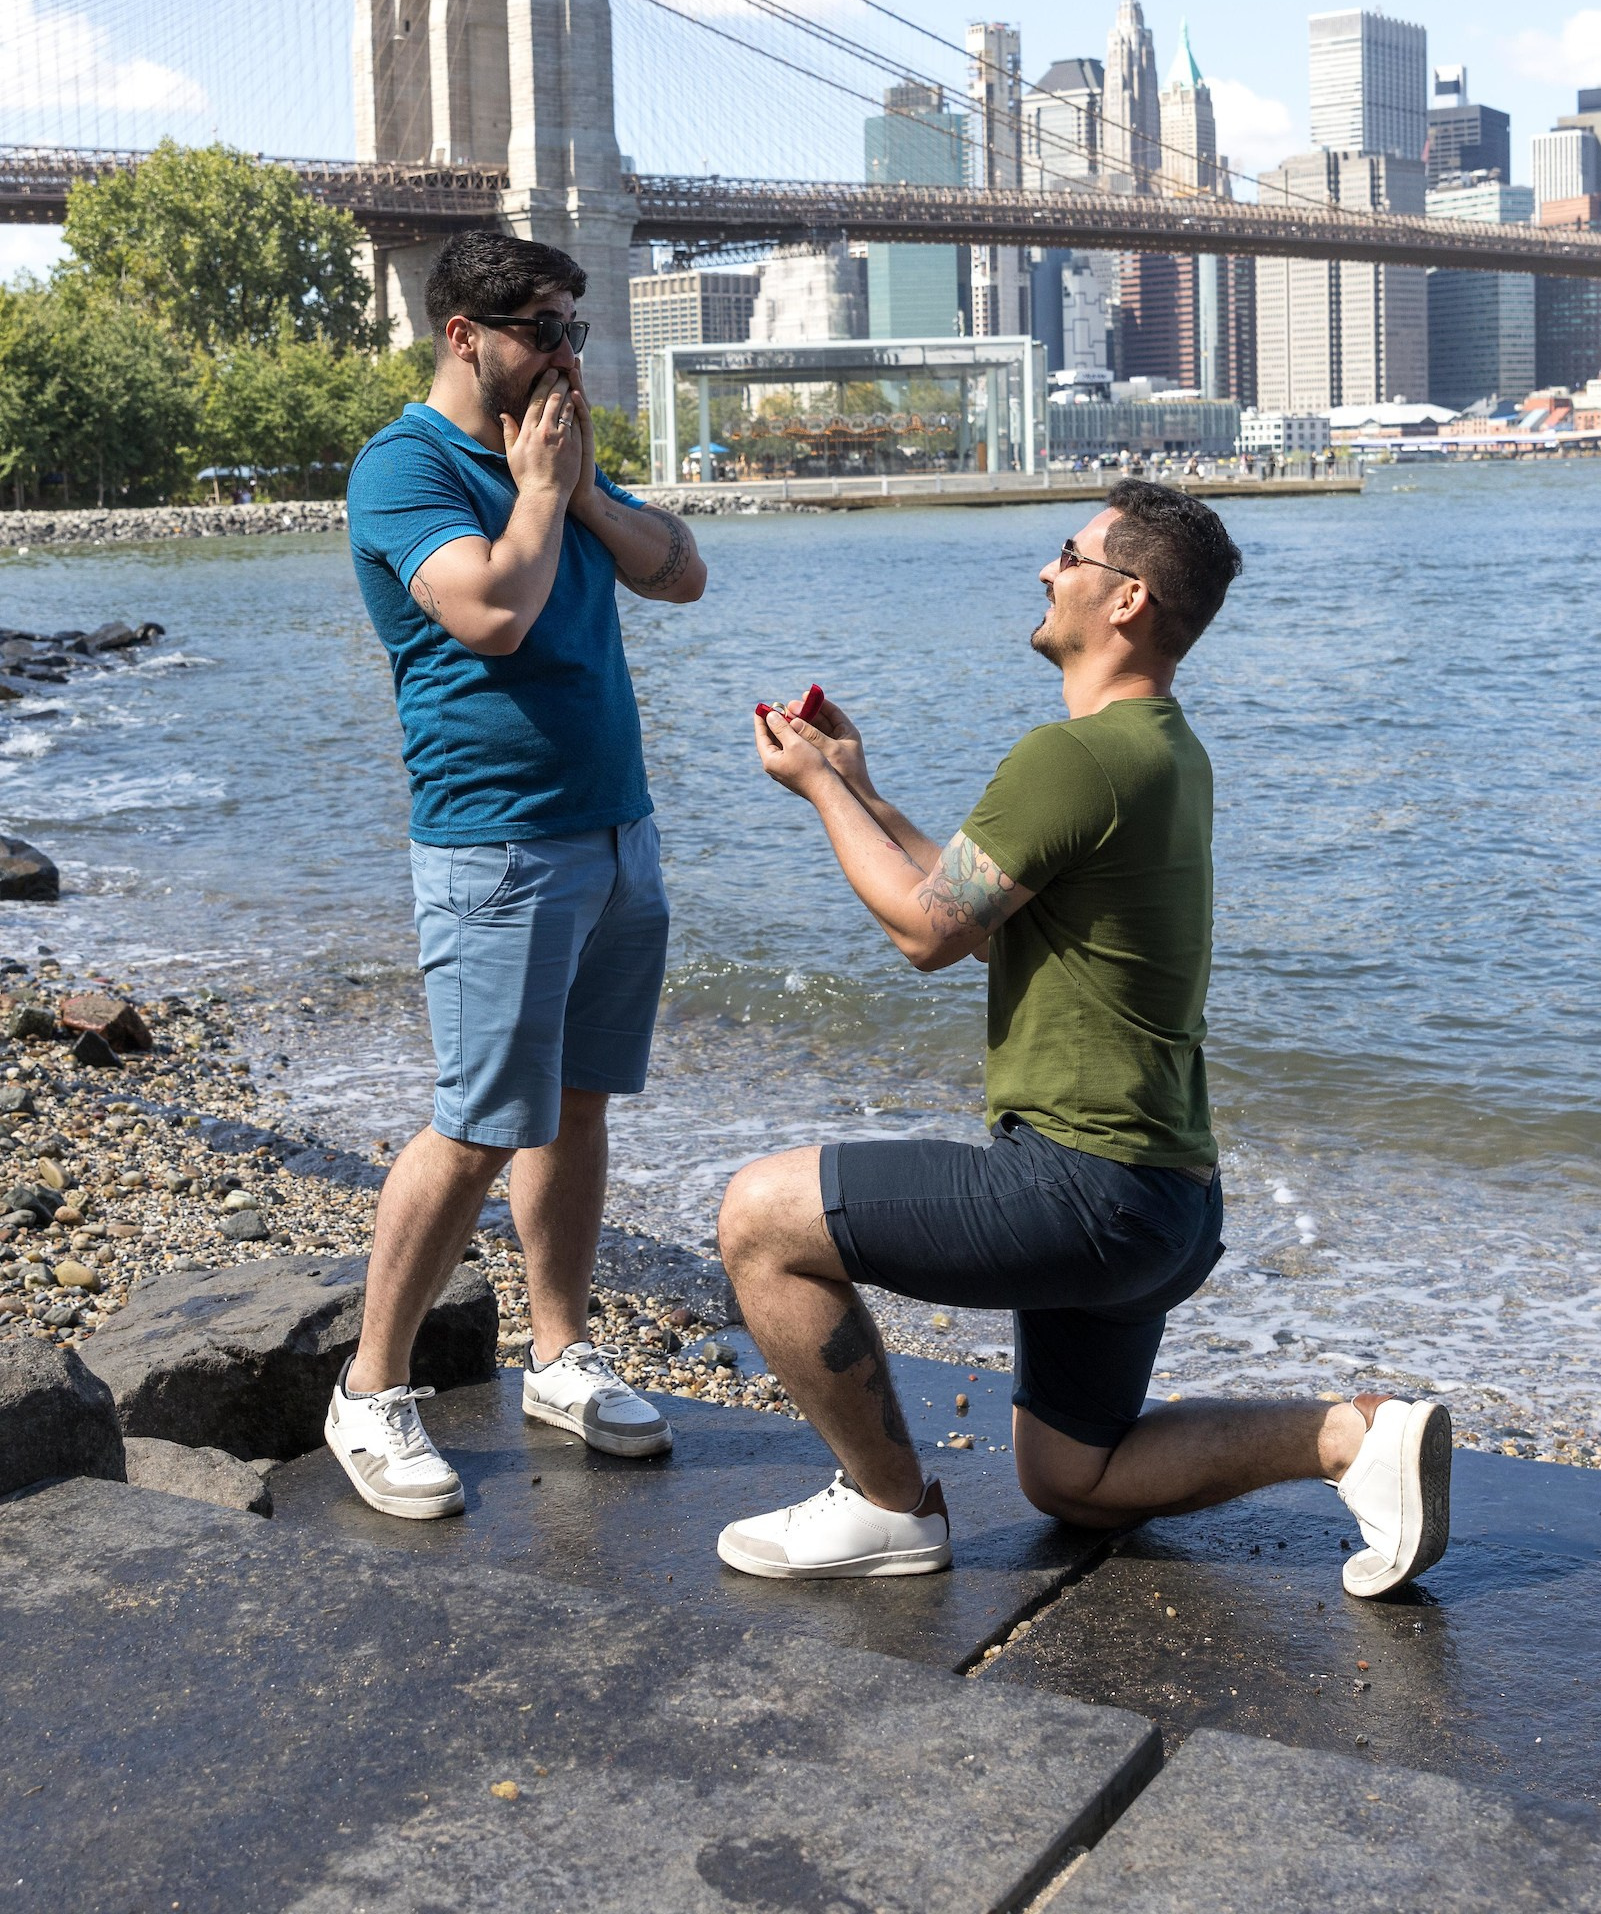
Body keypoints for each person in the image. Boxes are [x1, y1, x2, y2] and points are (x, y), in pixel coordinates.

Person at [714, 479, 1450, 1593]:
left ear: (1126, 598)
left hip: (1082, 1187)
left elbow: (926, 933)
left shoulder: (1072, 756)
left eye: (1068, 554)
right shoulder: (1160, 750)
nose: (1044, 570)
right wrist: (859, 787)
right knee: (1072, 1476)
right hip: (1166, 1200)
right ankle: (1352, 1437)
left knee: (758, 1217)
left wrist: (818, 789)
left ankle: (885, 1507)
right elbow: (976, 904)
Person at [327, 232, 706, 1518]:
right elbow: (489, 611)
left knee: (581, 1103)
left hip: (613, 830)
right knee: (482, 1120)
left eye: (573, 331)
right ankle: (370, 1389)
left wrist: (581, 491)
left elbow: (683, 575)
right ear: (462, 337)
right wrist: (540, 495)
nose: (562, 354)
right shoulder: (403, 467)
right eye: (540, 329)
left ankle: (558, 1355)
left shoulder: (559, 456)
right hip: (493, 841)